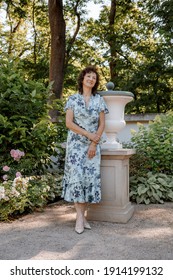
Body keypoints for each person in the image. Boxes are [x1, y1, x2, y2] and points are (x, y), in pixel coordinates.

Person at [61, 66, 109, 234]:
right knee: (77, 179)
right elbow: (69, 123)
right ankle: (80, 218)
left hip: (92, 145)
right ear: (82, 79)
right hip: (75, 145)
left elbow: (102, 124)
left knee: (88, 179)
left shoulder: (99, 100)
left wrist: (93, 143)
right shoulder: (72, 99)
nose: (91, 79)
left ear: (95, 82)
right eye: (88, 76)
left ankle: (82, 216)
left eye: (94, 78)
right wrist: (88, 134)